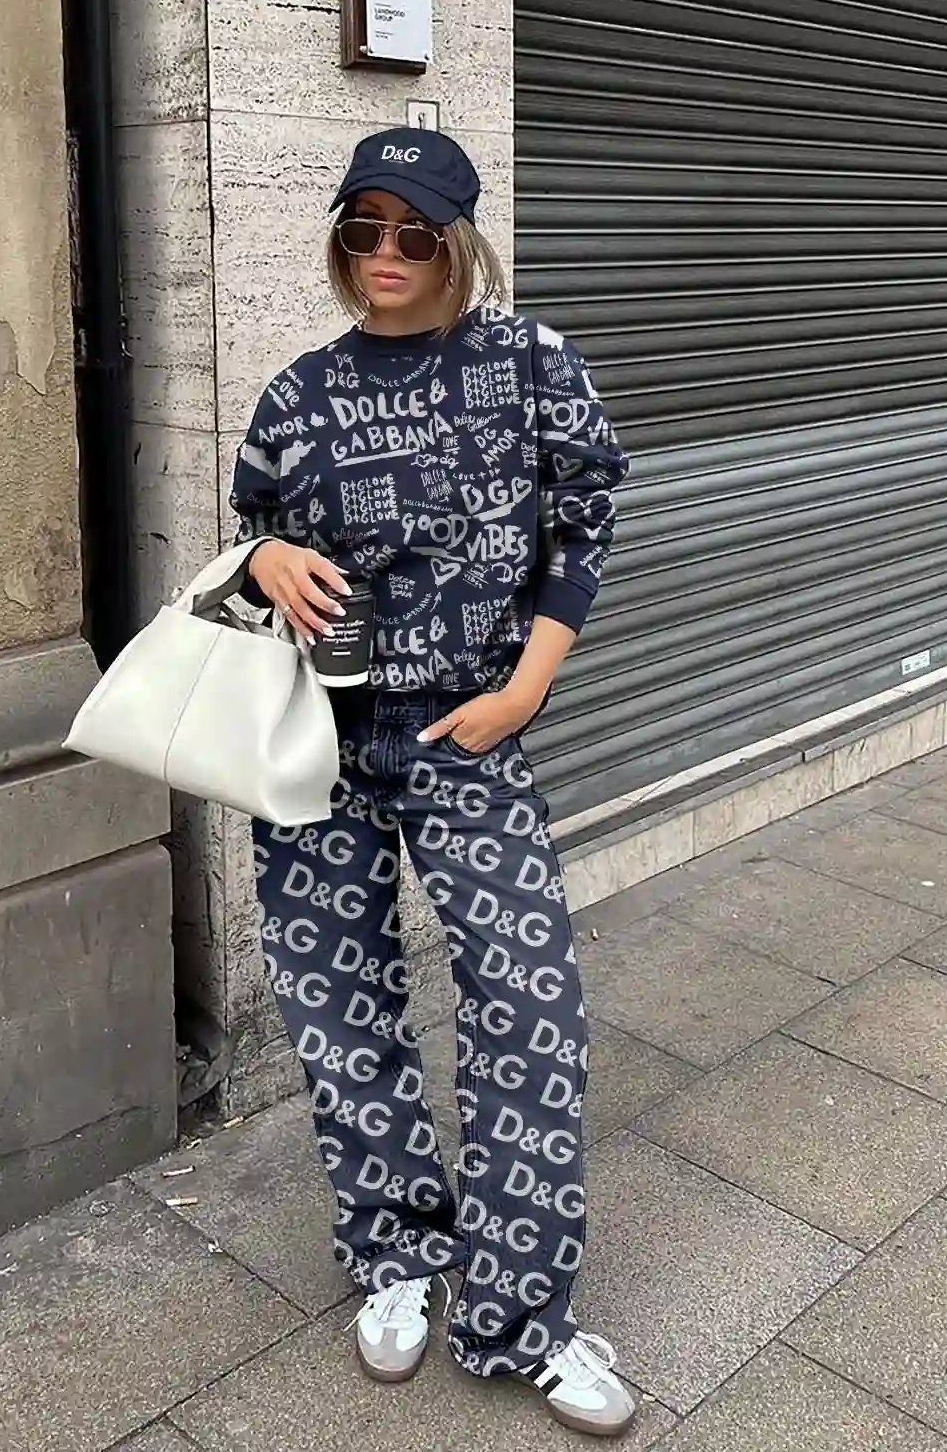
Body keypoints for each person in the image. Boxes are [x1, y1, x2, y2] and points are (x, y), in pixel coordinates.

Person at [229, 126, 633, 1438]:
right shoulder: (297, 392)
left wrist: (526, 688)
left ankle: (520, 1315)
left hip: (468, 730)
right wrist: (262, 561)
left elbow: (585, 524)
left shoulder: (530, 363)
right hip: (317, 740)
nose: (385, 253)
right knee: (337, 1005)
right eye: (363, 227)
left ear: (460, 240)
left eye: (413, 230)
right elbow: (256, 534)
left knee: (528, 1005)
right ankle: (397, 1253)